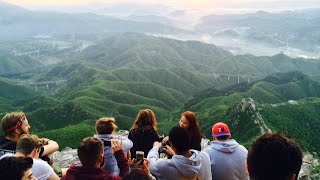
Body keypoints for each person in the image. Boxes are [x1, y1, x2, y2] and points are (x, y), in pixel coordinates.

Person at [147, 126, 212, 180]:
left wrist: (155, 147)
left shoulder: (165, 166)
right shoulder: (204, 156)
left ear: (172, 145)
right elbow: (187, 161)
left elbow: (150, 163)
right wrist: (174, 155)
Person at [61, 137, 129, 180]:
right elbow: (125, 178)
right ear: (101, 158)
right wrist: (120, 155)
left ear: (80, 157)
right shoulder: (109, 178)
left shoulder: (68, 177)